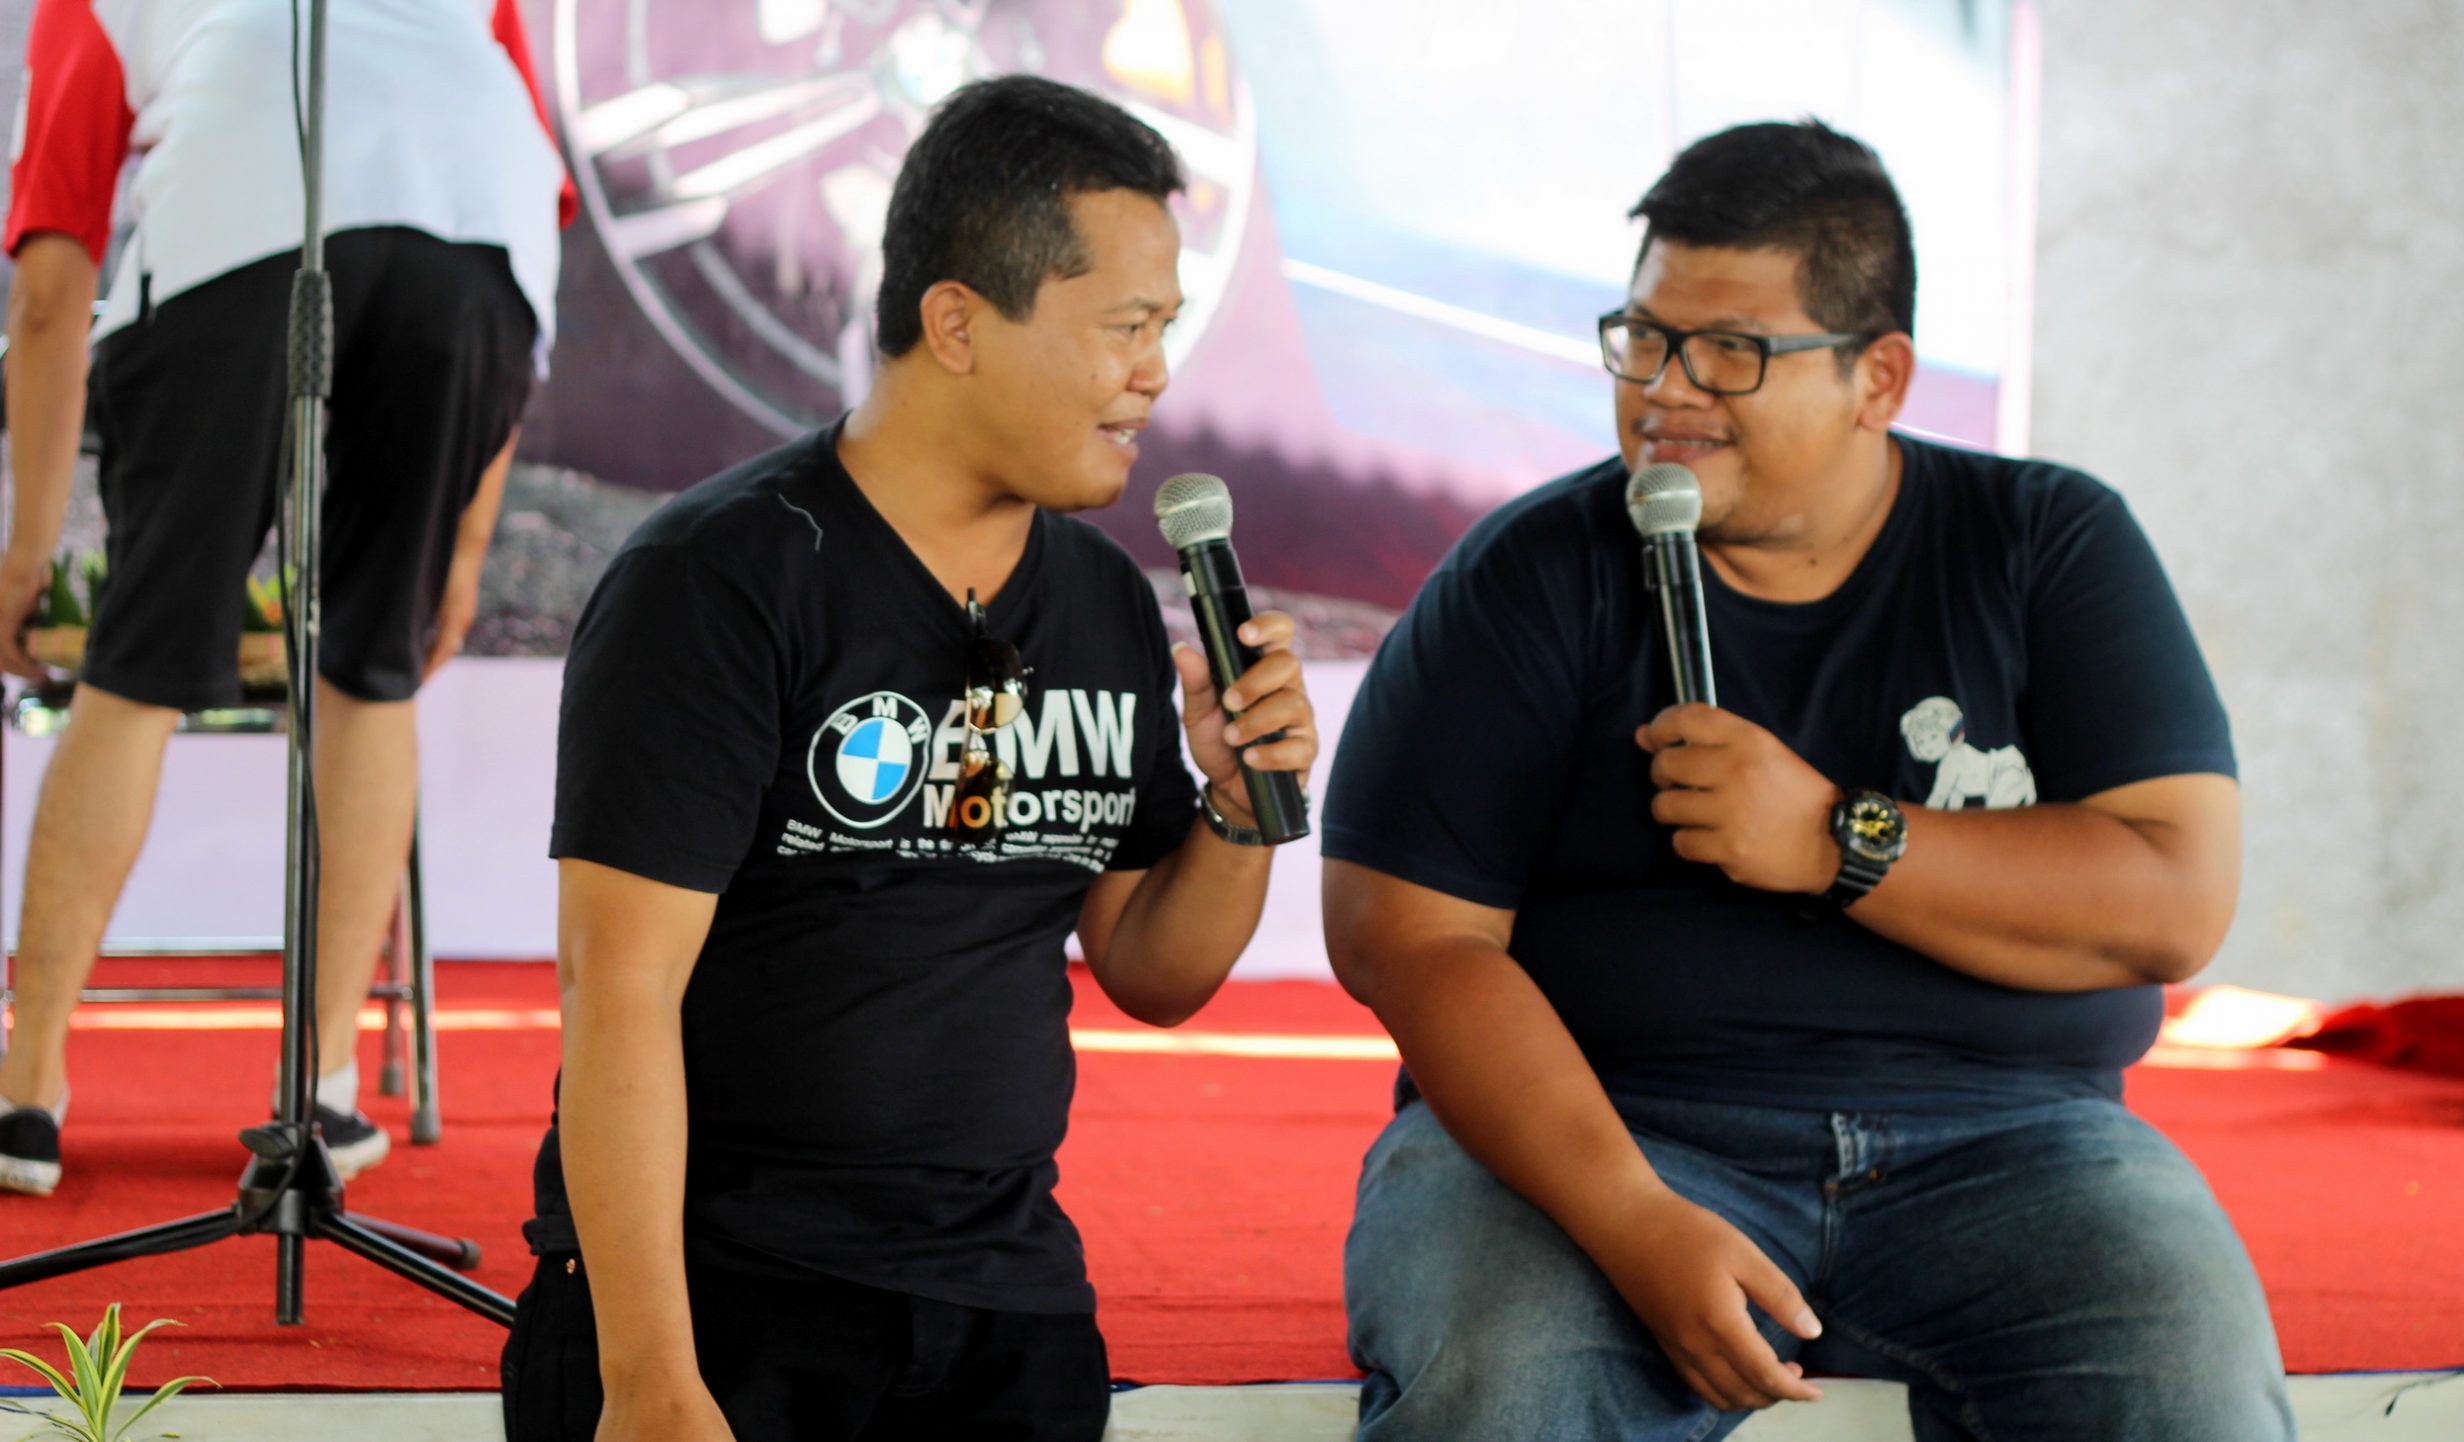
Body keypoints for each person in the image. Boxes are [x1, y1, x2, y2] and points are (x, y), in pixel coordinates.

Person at [1319, 120, 2295, 1442]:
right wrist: (1632, 1214)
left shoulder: (2043, 543)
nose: (1666, 391)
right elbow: (1405, 935)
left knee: (2190, 1397)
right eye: (1644, 337)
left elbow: (2175, 895)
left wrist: (1841, 839)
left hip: (2017, 1143)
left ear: (1876, 377)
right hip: (1609, 1128)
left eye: (1731, 350)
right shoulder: (1528, 576)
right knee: (1509, 1386)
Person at [497, 75, 1319, 1442]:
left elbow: (1152, 968)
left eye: (1164, 328)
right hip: (729, 1299)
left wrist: (1234, 810)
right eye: (1125, 326)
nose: (1156, 373)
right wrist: (649, 1377)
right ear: (957, 322)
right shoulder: (718, 578)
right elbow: (617, 989)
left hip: (1006, 1301)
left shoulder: (1106, 601)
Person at [0, 0, 569, 1196]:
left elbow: (52, 288)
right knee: (373, 670)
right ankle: (321, 1084)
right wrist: (459, 549)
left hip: (243, 210)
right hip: (481, 248)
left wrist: (27, 551)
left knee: (136, 665)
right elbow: (509, 176)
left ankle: (24, 1094)